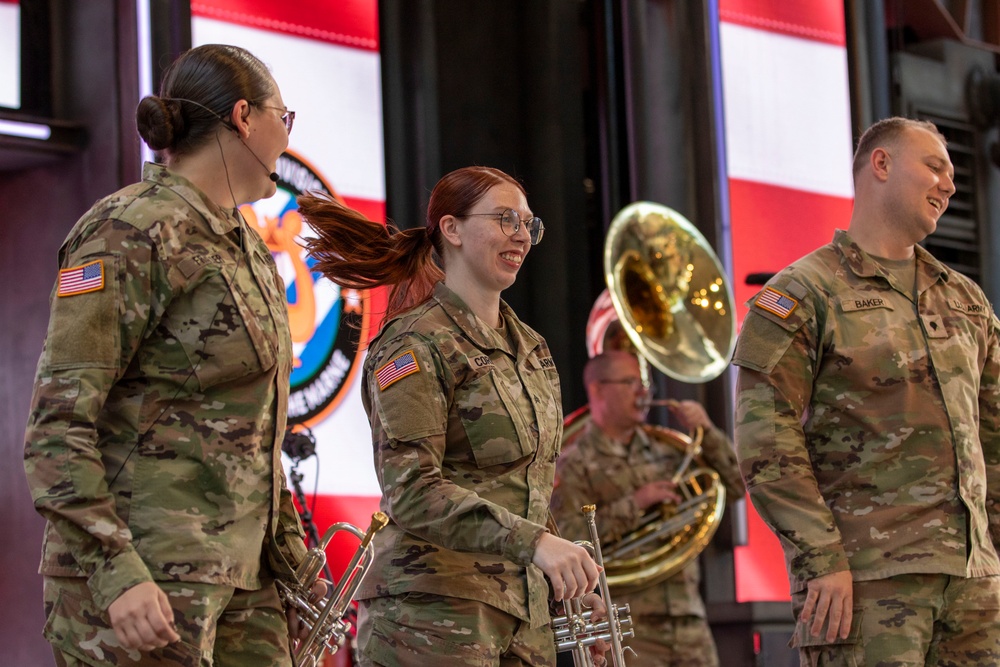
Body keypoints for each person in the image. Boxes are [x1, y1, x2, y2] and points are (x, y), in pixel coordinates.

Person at [23, 44, 313, 665]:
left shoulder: (247, 245)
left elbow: (257, 432)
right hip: (143, 585)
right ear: (243, 117)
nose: (286, 140)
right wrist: (115, 572)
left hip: (241, 586)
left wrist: (291, 561)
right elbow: (56, 430)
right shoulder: (128, 230)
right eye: (283, 119)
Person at [297, 166, 604, 666]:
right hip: (431, 620)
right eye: (505, 218)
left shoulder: (532, 347)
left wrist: (564, 581)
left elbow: (528, 486)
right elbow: (412, 490)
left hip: (524, 624)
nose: (522, 235)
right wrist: (538, 545)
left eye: (529, 223)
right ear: (452, 228)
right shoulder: (413, 344)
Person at [733, 116, 1000, 665]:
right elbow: (766, 442)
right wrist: (821, 556)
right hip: (864, 581)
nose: (949, 185)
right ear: (881, 164)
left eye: (951, 174)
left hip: (974, 588)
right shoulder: (802, 292)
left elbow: (994, 436)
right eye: (934, 167)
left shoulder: (966, 300)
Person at [550, 350, 746, 666]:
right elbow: (568, 539)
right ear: (598, 389)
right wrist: (635, 503)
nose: (644, 392)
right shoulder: (573, 463)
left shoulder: (669, 448)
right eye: (631, 382)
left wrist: (707, 432)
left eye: (645, 384)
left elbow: (737, 487)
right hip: (628, 624)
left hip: (688, 617)